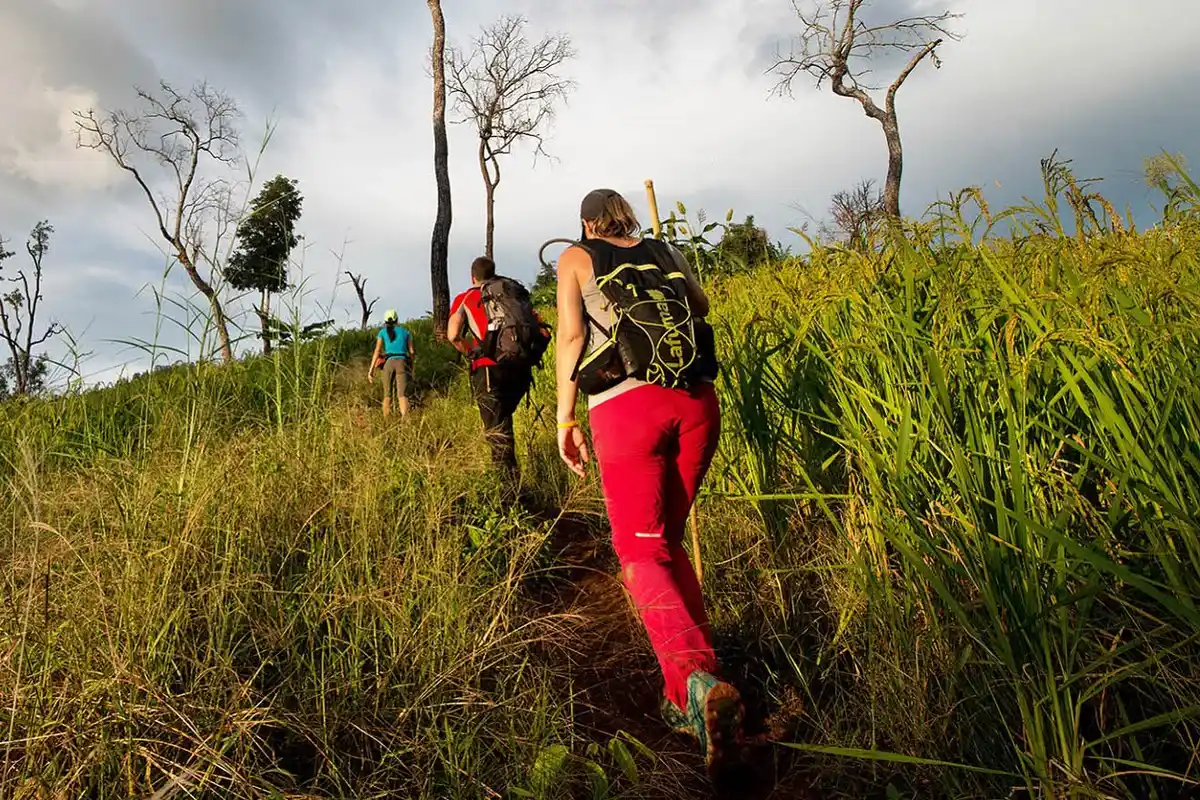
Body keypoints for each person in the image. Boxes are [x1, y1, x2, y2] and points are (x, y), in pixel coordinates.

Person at [553, 189, 743, 776]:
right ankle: (690, 685)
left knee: (640, 551)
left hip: (626, 408)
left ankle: (693, 681)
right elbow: (701, 305)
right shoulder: (665, 250)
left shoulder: (575, 257)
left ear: (586, 223)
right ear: (626, 216)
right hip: (697, 403)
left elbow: (571, 338)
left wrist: (565, 419)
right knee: (666, 542)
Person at [447, 256, 535, 488]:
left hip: (488, 369)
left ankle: (508, 492)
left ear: (472, 277)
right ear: (493, 273)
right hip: (519, 366)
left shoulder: (465, 298)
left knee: (496, 432)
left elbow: (453, 334)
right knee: (504, 424)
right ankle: (513, 484)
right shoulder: (509, 293)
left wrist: (470, 352)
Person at [368, 309, 413, 417]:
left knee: (387, 395)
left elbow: (377, 351)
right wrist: (412, 368)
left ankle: (386, 421)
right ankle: (405, 421)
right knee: (402, 395)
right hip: (402, 363)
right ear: (397, 319)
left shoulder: (382, 332)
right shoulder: (406, 333)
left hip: (388, 363)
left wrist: (371, 370)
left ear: (385, 321)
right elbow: (412, 352)